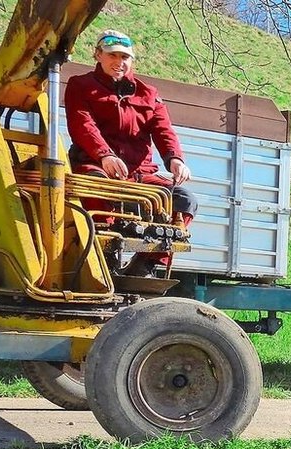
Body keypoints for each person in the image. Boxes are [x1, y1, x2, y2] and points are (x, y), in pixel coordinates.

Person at [65, 30, 196, 271]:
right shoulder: (80, 86)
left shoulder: (149, 94)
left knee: (184, 200)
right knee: (96, 187)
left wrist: (175, 159)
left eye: (125, 57)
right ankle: (105, 258)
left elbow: (164, 130)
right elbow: (82, 125)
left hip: (139, 174)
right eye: (112, 55)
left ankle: (147, 265)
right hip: (96, 166)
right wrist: (104, 154)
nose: (119, 62)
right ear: (98, 55)